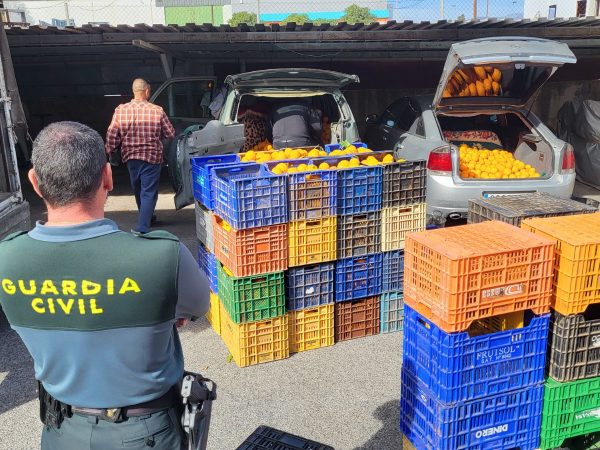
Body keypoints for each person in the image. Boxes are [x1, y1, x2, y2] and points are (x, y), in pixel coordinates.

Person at [0, 121, 209, 450]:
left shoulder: (6, 259)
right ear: (108, 178)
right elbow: (199, 305)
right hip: (145, 434)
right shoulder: (161, 256)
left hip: (61, 433)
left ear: (35, 183)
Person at [105, 78, 175, 233]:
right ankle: (143, 226)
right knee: (148, 191)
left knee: (138, 189)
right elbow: (170, 133)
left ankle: (147, 217)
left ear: (134, 91)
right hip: (152, 157)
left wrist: (111, 151)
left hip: (131, 157)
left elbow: (112, 134)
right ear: (147, 91)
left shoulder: (121, 110)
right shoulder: (157, 110)